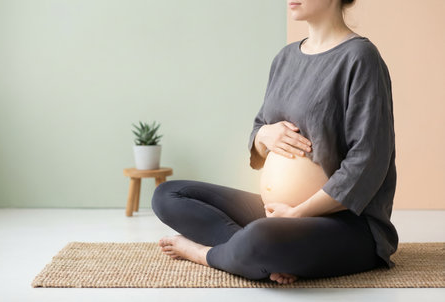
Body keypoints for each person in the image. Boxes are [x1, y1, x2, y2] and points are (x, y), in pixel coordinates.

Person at [151, 0, 398, 285]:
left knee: (263, 237)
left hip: (346, 224)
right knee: (168, 195)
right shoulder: (285, 58)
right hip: (276, 212)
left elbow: (369, 161)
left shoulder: (360, 57)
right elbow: (260, 131)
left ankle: (206, 253)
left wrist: (298, 214)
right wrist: (263, 136)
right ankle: (256, 253)